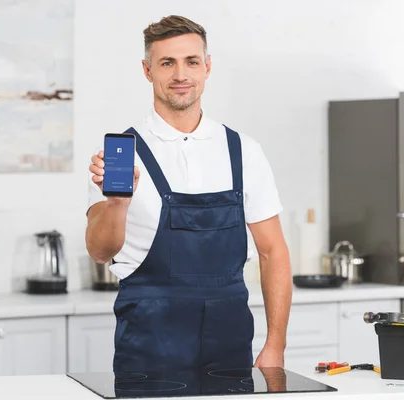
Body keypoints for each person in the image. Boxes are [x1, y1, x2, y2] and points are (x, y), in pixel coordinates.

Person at [86, 15, 292, 372]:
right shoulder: (121, 154)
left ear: (207, 67)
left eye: (191, 62)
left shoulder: (243, 151)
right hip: (147, 351)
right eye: (167, 63)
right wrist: (118, 204)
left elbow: (273, 251)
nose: (181, 75)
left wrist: (276, 346)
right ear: (148, 70)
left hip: (230, 347)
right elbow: (100, 251)